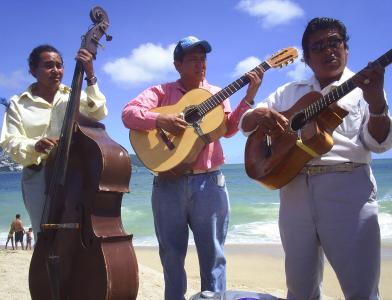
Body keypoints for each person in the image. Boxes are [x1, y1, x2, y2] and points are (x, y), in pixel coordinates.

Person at [240, 17, 392, 300]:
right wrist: (260, 114)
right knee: (300, 291)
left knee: (361, 290)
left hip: (348, 191)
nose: (329, 50)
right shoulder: (290, 92)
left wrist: (376, 104)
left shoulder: (365, 89)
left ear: (346, 49)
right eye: (319, 46)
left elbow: (378, 143)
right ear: (308, 58)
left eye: (335, 42)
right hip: (293, 191)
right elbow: (246, 124)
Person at [122, 36, 263, 300]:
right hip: (167, 182)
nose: (200, 64)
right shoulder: (161, 92)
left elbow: (229, 130)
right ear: (178, 65)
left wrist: (249, 96)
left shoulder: (217, 94)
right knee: (171, 256)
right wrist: (160, 119)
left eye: (203, 59)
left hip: (209, 182)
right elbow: (128, 113)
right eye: (193, 60)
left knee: (213, 254)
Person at [0, 44, 108, 242]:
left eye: (60, 65)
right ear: (33, 70)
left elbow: (98, 112)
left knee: (81, 231)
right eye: (49, 65)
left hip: (75, 173)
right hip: (38, 175)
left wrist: (90, 76)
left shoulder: (73, 95)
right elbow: (10, 140)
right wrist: (35, 145)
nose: (56, 70)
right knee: (46, 235)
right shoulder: (18, 103)